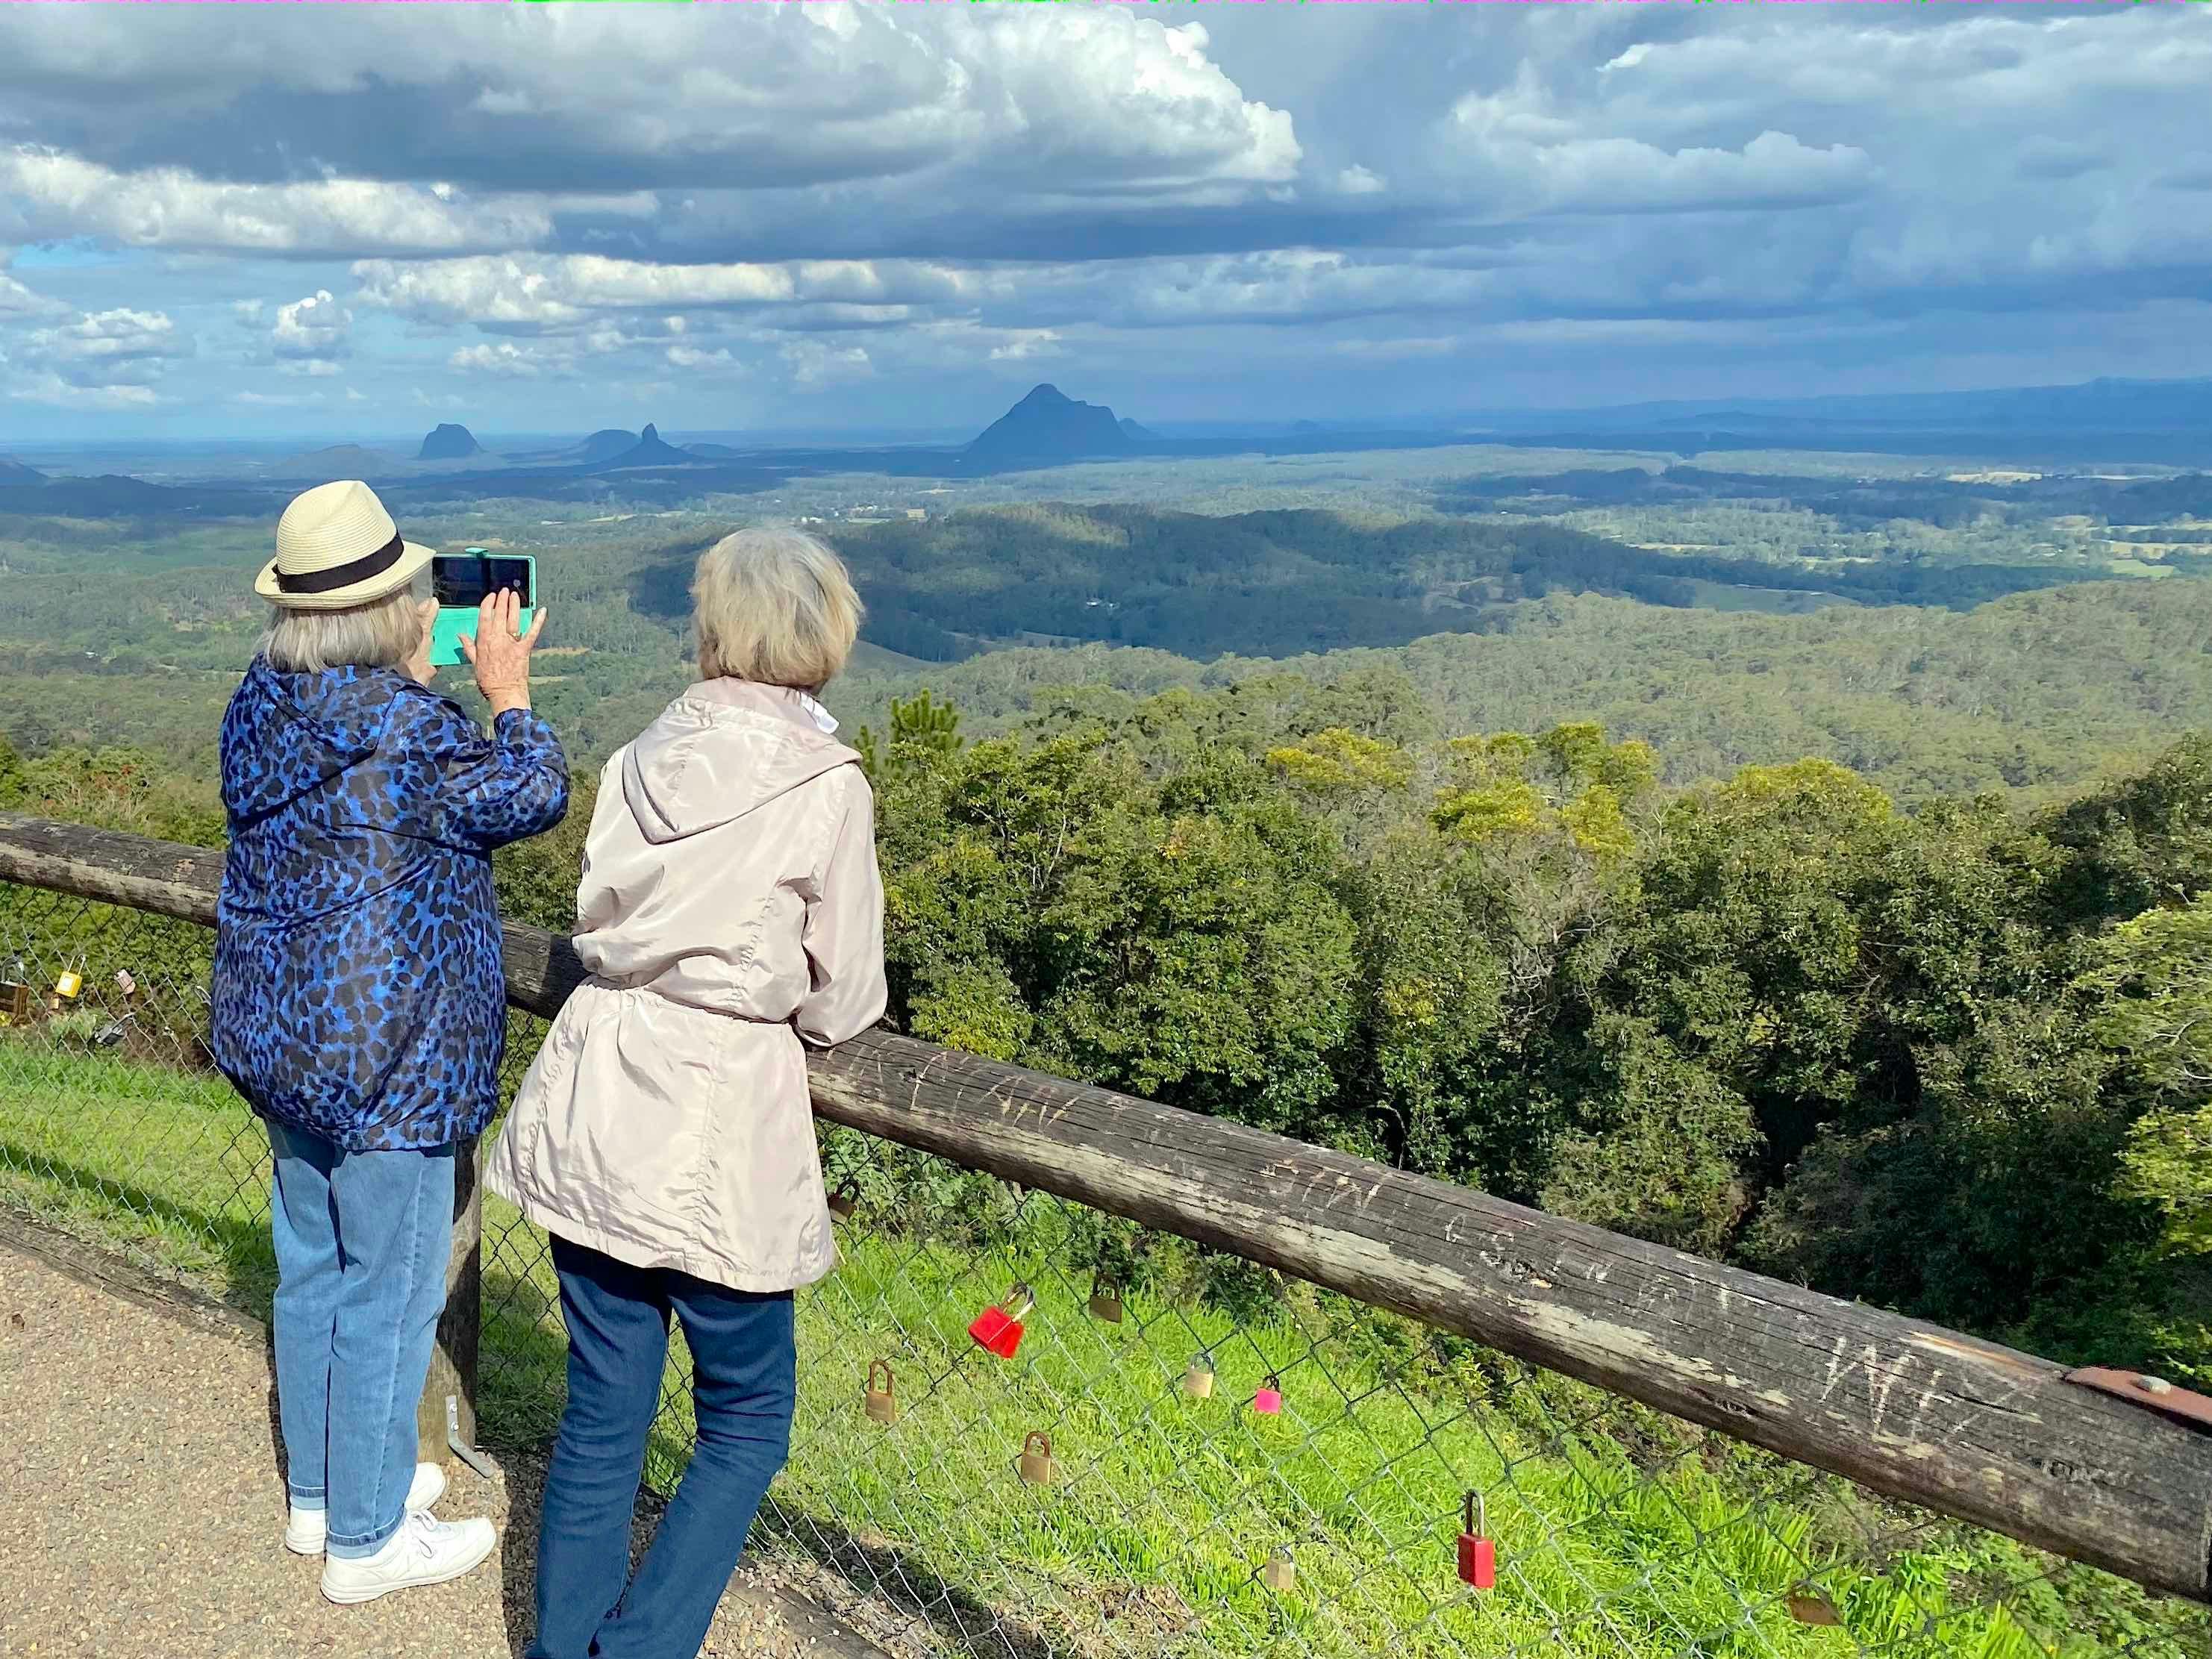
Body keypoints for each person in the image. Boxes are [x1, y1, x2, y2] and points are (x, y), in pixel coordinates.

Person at [489, 526, 887, 1659]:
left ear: (714, 631)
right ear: (822, 638)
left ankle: (565, 1648)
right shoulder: (826, 787)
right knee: (748, 1421)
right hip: (722, 1122)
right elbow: (843, 994)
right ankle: (645, 1644)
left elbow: (599, 924)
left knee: (606, 1415)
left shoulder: (634, 759)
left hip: (600, 1096)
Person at [210, 478, 568, 1605]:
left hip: (284, 1043)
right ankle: (365, 1543)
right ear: (387, 610)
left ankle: (322, 1494)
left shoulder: (258, 705)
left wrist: (409, 685)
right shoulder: (411, 731)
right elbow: (534, 792)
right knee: (392, 1293)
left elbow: (350, 801)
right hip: (391, 1061)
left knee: (312, 1270)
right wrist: (506, 694)